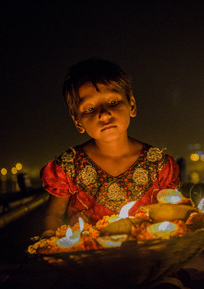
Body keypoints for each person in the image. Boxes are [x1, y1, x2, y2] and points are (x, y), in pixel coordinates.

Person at [40, 58, 180, 237]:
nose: (104, 114)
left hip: (149, 256)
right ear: (77, 122)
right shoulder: (68, 167)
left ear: (132, 105)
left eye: (113, 102)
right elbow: (54, 216)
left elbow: (174, 213)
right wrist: (53, 239)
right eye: (90, 109)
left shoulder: (158, 164)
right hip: (89, 257)